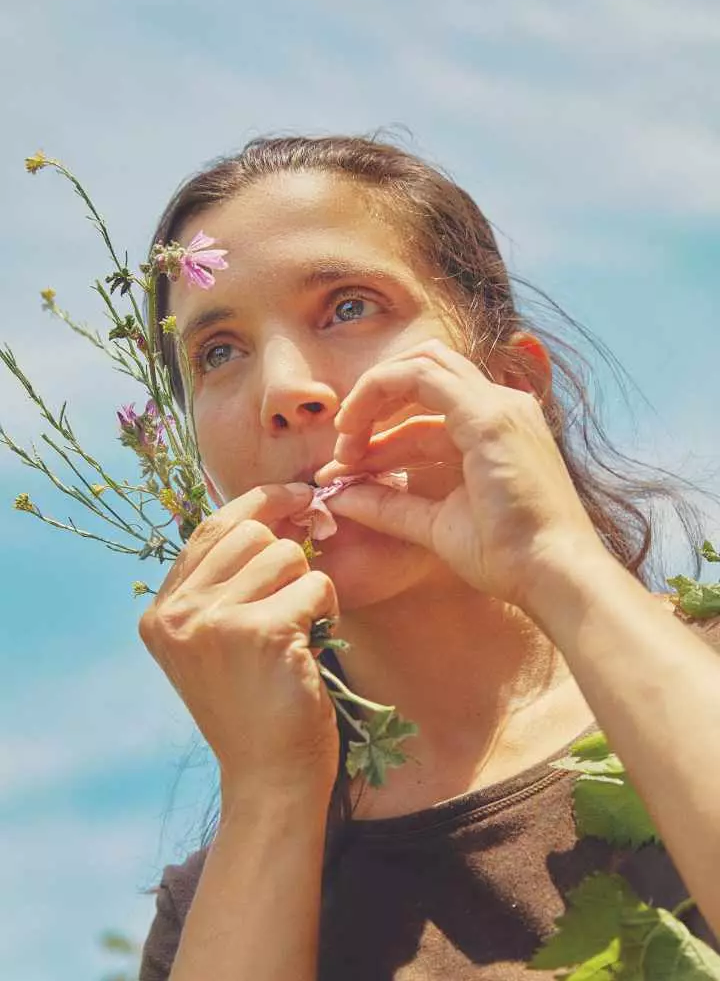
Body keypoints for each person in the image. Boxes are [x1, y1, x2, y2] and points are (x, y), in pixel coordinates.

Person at [137, 135, 720, 980]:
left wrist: (561, 565)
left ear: (513, 387)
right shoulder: (215, 914)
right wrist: (269, 793)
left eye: (348, 306)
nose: (282, 393)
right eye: (219, 353)